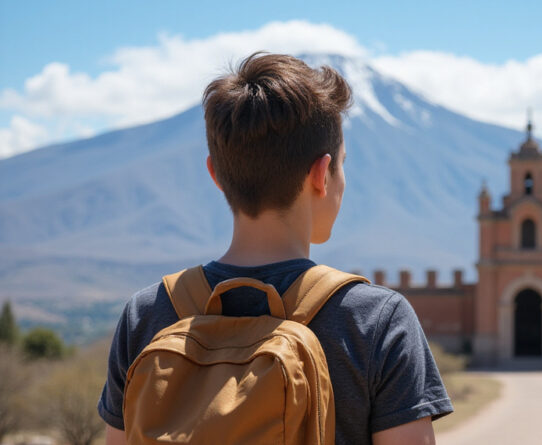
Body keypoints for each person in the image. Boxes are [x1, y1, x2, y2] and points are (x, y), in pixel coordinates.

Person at [97, 52, 453, 445]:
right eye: (343, 164)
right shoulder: (376, 320)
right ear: (322, 175)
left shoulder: (147, 315)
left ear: (215, 174)